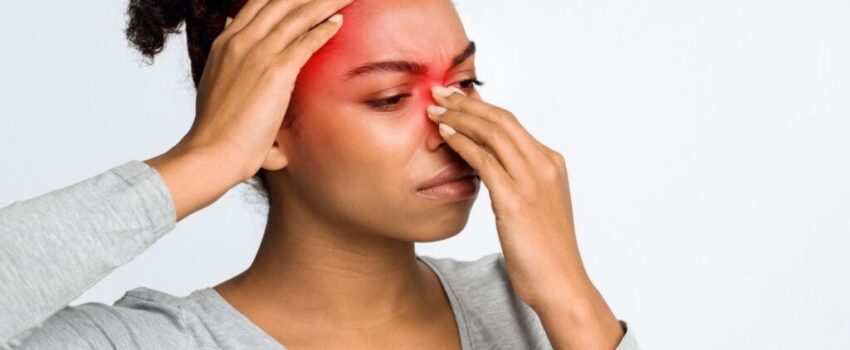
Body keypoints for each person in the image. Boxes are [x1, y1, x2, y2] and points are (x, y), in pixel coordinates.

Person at [0, 0, 640, 348]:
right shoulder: (149, 343)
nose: (453, 126)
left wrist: (573, 306)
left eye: (466, 82)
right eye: (390, 97)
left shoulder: (531, 313)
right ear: (267, 126)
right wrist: (202, 160)